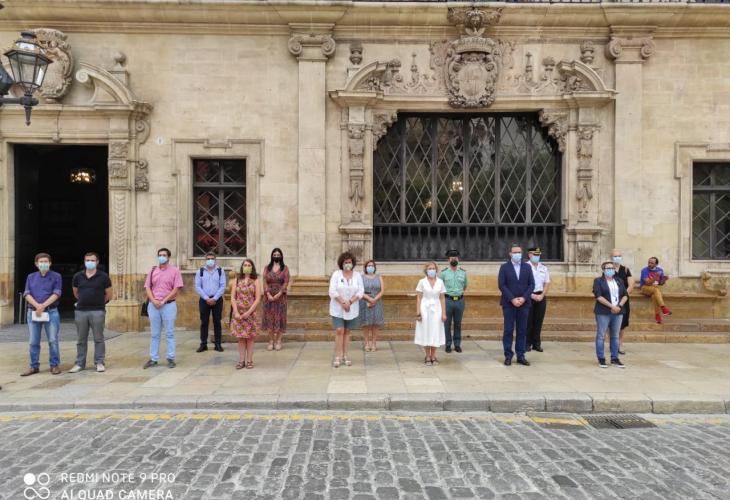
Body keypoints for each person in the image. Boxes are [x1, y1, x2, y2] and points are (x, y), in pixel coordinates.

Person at [69, 252, 112, 373]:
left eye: (92, 260)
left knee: (99, 338)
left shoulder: (103, 276)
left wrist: (99, 302)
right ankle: (79, 363)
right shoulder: (78, 276)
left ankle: (99, 362)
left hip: (97, 310)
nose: (90, 262)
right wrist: (83, 300)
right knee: (81, 339)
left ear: (97, 262)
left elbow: (109, 294)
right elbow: (76, 292)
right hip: (81, 311)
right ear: (84, 261)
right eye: (87, 260)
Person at [20, 252, 62, 376]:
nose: (43, 264)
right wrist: (37, 306)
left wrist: (43, 306)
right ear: (36, 264)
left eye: (46, 262)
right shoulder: (31, 277)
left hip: (51, 311)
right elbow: (27, 293)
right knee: (33, 341)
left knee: (53, 340)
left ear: (50, 263)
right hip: (33, 312)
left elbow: (57, 293)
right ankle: (34, 366)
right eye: (41, 262)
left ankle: (54, 365)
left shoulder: (56, 276)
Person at [143, 248, 184, 369]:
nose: (161, 257)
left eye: (164, 255)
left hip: (168, 305)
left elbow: (176, 288)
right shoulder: (152, 271)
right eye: (160, 255)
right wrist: (153, 300)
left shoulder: (175, 271)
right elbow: (148, 287)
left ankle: (170, 358)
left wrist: (163, 301)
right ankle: (153, 358)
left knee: (169, 333)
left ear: (168, 257)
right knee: (154, 334)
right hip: (153, 305)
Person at [498, 244, 535, 366]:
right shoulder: (504, 267)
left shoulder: (527, 267)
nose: (517, 254)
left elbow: (531, 284)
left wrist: (523, 298)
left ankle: (521, 356)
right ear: (510, 254)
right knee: (508, 330)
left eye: (519, 252)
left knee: (522, 331)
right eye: (515, 252)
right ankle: (508, 356)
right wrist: (512, 299)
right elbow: (502, 285)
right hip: (509, 304)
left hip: (524, 304)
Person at [328, 251, 364, 368]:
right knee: (339, 330)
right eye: (345, 262)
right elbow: (332, 290)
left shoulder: (357, 275)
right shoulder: (336, 274)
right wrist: (343, 302)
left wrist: (350, 302)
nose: (347, 264)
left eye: (349, 262)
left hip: (352, 308)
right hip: (338, 307)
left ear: (352, 263)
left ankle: (345, 355)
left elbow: (360, 291)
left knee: (347, 331)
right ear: (341, 263)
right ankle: (337, 356)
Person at [593, 261, 629, 368]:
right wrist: (611, 306)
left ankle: (615, 358)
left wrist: (619, 306)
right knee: (601, 335)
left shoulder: (619, 280)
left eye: (612, 268)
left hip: (618, 312)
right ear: (603, 270)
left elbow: (625, 295)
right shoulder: (598, 281)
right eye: (608, 268)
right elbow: (598, 296)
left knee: (615, 335)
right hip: (603, 312)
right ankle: (601, 358)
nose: (611, 270)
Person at [230, 258, 262, 369]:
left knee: (250, 338)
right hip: (238, 313)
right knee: (241, 338)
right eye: (245, 265)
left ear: (252, 267)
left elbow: (257, 298)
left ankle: (249, 361)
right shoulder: (237, 280)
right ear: (242, 267)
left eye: (249, 265)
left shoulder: (256, 280)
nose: (247, 267)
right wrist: (235, 311)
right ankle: (241, 360)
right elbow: (233, 297)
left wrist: (248, 312)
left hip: (251, 313)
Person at [194, 252, 227, 353]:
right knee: (204, 322)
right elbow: (198, 286)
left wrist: (215, 298)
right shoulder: (200, 271)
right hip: (204, 300)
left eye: (212, 258)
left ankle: (218, 344)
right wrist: (206, 298)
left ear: (215, 259)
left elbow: (222, 286)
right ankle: (203, 344)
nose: (210, 260)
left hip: (217, 300)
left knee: (217, 322)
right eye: (208, 258)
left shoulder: (220, 271)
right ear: (205, 260)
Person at [415, 262, 446, 365]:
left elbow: (442, 298)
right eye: (430, 268)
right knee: (426, 331)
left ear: (436, 270)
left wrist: (444, 313)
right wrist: (418, 312)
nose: (432, 270)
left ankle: (433, 355)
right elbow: (419, 298)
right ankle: (427, 356)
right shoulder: (422, 282)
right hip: (425, 308)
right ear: (426, 270)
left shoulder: (440, 282)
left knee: (435, 331)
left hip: (437, 309)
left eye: (433, 268)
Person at [262, 248, 290, 351]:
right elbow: (264, 281)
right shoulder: (267, 268)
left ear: (281, 256)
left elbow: (286, 281)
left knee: (280, 317)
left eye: (278, 255)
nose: (276, 256)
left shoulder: (285, 268)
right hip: (268, 297)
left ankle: (278, 340)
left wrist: (279, 293)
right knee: (269, 318)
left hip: (281, 297)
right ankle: (271, 340)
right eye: (275, 254)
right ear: (272, 256)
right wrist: (268, 293)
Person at [440, 249, 467, 353]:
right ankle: (448, 344)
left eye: (455, 258)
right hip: (448, 300)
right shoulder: (443, 273)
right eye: (452, 258)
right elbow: (440, 287)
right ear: (448, 260)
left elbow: (465, 286)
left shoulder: (463, 273)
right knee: (447, 324)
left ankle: (457, 344)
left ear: (458, 259)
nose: (454, 260)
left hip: (459, 300)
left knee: (458, 323)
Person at [526, 247, 550, 353]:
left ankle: (536, 343)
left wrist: (542, 295)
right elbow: (523, 284)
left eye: (538, 255)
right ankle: (527, 343)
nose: (537, 256)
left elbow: (547, 283)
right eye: (535, 254)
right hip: (529, 296)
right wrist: (531, 295)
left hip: (541, 296)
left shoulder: (543, 268)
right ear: (529, 255)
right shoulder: (525, 267)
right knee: (528, 321)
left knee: (538, 321)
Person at [611, 249, 634, 354]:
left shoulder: (625, 270)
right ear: (611, 257)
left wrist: (624, 296)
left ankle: (620, 344)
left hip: (624, 301)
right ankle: (613, 343)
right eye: (615, 256)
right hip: (611, 300)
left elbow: (631, 285)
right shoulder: (608, 269)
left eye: (619, 256)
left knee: (622, 323)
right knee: (611, 323)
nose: (617, 258)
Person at [360, 259, 385, 352]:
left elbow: (382, 290)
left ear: (374, 267)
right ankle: (366, 343)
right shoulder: (361, 277)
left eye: (372, 266)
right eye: (368, 266)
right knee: (365, 324)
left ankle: (374, 343)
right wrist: (369, 299)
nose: (370, 267)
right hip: (364, 301)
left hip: (377, 302)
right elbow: (359, 290)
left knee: (375, 324)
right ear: (365, 267)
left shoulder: (379, 277)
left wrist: (374, 299)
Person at [640, 257, 671, 324]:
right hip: (645, 288)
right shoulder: (644, 270)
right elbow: (647, 283)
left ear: (656, 264)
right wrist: (655, 277)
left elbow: (660, 283)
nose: (649, 264)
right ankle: (663, 308)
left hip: (655, 289)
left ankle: (658, 316)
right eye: (649, 262)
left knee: (655, 296)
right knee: (656, 290)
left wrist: (664, 279)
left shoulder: (660, 270)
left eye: (652, 263)